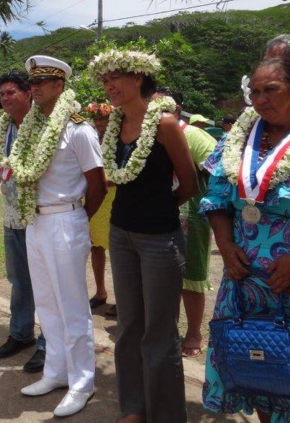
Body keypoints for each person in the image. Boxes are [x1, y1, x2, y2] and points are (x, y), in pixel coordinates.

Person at [201, 57, 290, 422]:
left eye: (270, 90)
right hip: (244, 278)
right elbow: (214, 196)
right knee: (256, 364)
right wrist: (225, 247)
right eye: (254, 91)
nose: (259, 100)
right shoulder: (239, 135)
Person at [89, 48, 198, 423]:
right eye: (105, 80)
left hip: (158, 240)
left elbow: (189, 182)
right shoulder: (115, 125)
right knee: (129, 326)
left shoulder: (165, 124)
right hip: (121, 234)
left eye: (115, 78)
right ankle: (133, 408)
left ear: (138, 77)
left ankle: (166, 415)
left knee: (159, 331)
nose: (109, 86)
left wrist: (160, 209)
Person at [13, 56, 106, 418]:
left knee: (72, 305)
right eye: (32, 82)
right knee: (47, 303)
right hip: (35, 222)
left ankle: (83, 382)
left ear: (59, 86)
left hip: (66, 220)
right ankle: (56, 371)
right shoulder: (32, 128)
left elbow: (97, 184)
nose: (33, 88)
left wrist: (79, 218)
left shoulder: (78, 129)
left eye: (41, 82)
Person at [156, 87, 217, 358]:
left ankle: (194, 332)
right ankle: (164, 330)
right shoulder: (148, 133)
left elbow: (218, 168)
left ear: (177, 107)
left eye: (164, 104)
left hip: (189, 215)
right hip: (159, 217)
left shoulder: (191, 133)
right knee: (163, 278)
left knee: (191, 277)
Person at [0, 70, 46, 372]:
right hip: (11, 216)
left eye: (11, 92)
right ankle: (21, 333)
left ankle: (47, 343)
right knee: (19, 280)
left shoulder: (43, 124)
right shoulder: (5, 128)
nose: (5, 98)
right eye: (2, 94)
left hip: (40, 217)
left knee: (45, 283)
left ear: (28, 94)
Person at [85, 101, 118, 318]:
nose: (100, 123)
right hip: (94, 196)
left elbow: (125, 170)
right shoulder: (89, 137)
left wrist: (105, 182)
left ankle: (121, 298)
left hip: (114, 197)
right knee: (96, 247)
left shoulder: (119, 137)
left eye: (103, 118)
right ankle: (100, 292)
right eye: (97, 119)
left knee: (118, 251)